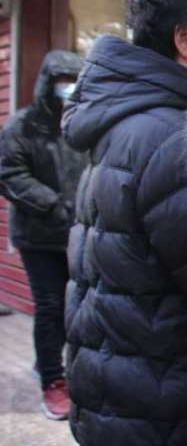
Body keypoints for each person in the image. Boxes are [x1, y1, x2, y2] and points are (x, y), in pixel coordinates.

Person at [62, 0, 187, 445]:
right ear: (186, 39)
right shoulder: (173, 137)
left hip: (114, 387)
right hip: (159, 403)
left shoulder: (126, 118)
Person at [0, 50, 86, 420]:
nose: (67, 89)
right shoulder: (22, 125)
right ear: (47, 83)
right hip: (38, 234)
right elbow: (9, 173)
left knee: (73, 306)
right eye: (61, 81)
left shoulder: (80, 123)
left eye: (73, 81)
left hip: (76, 231)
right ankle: (53, 380)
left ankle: (49, 361)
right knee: (50, 305)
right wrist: (52, 203)